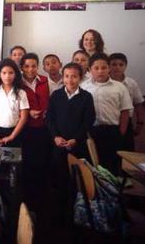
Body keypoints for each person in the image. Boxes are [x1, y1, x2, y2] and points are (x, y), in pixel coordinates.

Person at [46, 62, 95, 219]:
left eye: (74, 76)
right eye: (67, 76)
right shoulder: (56, 95)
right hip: (58, 144)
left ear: (80, 78)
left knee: (77, 179)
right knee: (58, 177)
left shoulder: (86, 97)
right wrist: (55, 136)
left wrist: (76, 138)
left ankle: (77, 211)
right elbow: (50, 119)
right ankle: (59, 213)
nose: (70, 80)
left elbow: (88, 121)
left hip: (77, 145)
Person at [81, 53, 133, 175]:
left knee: (112, 165)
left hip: (112, 132)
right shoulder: (84, 87)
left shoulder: (119, 87)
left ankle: (113, 192)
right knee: (92, 164)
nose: (100, 71)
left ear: (109, 68)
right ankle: (96, 193)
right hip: (91, 132)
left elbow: (125, 112)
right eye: (96, 68)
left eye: (104, 68)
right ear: (89, 70)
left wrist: (121, 133)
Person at [20, 53, 51, 184]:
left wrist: (48, 111)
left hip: (44, 126)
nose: (30, 69)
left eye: (33, 66)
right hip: (26, 126)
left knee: (42, 158)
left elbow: (53, 99)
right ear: (22, 67)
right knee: (27, 158)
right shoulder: (18, 82)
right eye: (27, 66)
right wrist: (28, 112)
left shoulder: (45, 80)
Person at [0, 59, 29, 148]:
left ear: (16, 74)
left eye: (11, 73)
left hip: (15, 131)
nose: (7, 76)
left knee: (12, 159)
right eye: (4, 73)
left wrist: (12, 136)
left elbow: (24, 118)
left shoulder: (21, 93)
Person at [109, 52, 145, 151]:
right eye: (114, 64)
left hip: (126, 121)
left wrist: (140, 123)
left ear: (125, 66)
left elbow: (138, 103)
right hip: (109, 121)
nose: (117, 67)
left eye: (121, 65)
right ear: (108, 66)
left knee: (126, 150)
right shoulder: (104, 82)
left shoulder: (131, 83)